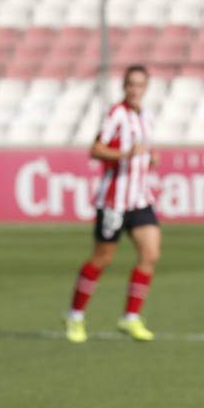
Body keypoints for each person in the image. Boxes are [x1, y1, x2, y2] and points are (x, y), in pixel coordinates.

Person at [65, 64, 161, 343]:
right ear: (124, 87)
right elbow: (96, 149)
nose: (134, 89)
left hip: (140, 198)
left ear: (146, 88)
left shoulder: (147, 117)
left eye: (140, 84)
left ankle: (130, 318)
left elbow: (144, 149)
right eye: (130, 84)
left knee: (151, 254)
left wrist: (150, 157)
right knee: (103, 258)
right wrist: (126, 153)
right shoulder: (116, 114)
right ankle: (75, 315)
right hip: (114, 201)